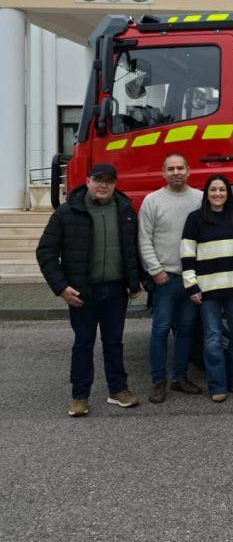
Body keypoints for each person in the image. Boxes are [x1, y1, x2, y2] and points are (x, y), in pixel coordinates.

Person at [36, 163, 143, 416]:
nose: (103, 185)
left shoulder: (126, 210)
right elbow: (45, 252)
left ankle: (118, 390)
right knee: (83, 344)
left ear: (115, 184)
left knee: (114, 343)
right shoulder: (67, 212)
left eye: (109, 180)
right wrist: (61, 288)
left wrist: (135, 280)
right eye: (98, 179)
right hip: (82, 294)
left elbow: (133, 248)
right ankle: (80, 396)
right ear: (87, 181)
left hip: (116, 291)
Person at [138, 153, 203, 403]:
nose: (176, 172)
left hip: (190, 278)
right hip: (165, 278)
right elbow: (144, 239)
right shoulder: (152, 201)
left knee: (186, 330)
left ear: (188, 170)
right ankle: (158, 381)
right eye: (170, 169)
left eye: (180, 168)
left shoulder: (199, 199)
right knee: (161, 329)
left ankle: (179, 378)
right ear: (163, 173)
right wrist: (155, 271)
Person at [180, 175, 233, 403]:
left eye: (222, 190)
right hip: (207, 290)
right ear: (206, 193)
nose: (218, 194)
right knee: (212, 339)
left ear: (228, 193)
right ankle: (218, 385)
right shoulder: (195, 219)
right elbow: (187, 254)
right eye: (213, 190)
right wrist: (192, 285)